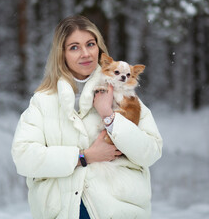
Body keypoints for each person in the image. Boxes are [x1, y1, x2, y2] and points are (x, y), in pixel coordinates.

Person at [11, 15, 163, 219]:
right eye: (74, 47)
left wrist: (109, 116)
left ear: (99, 48)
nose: (85, 53)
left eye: (90, 44)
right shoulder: (43, 101)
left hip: (117, 211)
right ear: (61, 54)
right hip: (63, 211)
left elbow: (151, 152)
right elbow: (24, 157)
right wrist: (83, 157)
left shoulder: (124, 94)